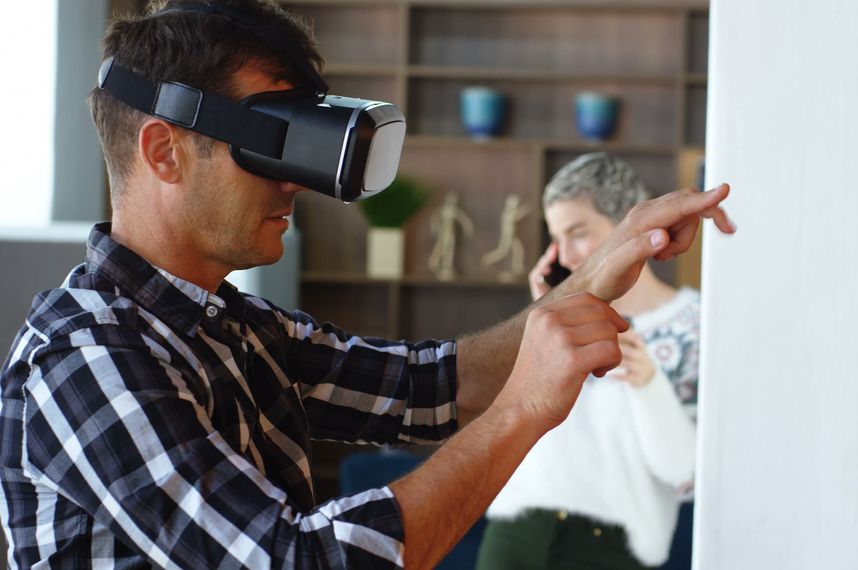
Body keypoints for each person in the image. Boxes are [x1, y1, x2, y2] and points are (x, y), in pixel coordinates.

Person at [0, 2, 735, 568]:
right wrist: (524, 412)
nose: (294, 180)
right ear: (163, 152)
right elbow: (298, 562)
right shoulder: (85, 358)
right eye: (267, 146)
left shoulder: (236, 326)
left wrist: (598, 269)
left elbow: (437, 386)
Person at [478, 153, 708, 569]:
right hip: (516, 532)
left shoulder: (694, 325)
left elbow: (683, 474)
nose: (564, 255)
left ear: (630, 226)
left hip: (615, 548)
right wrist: (540, 319)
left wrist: (648, 384)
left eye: (578, 232)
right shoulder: (549, 319)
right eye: (556, 238)